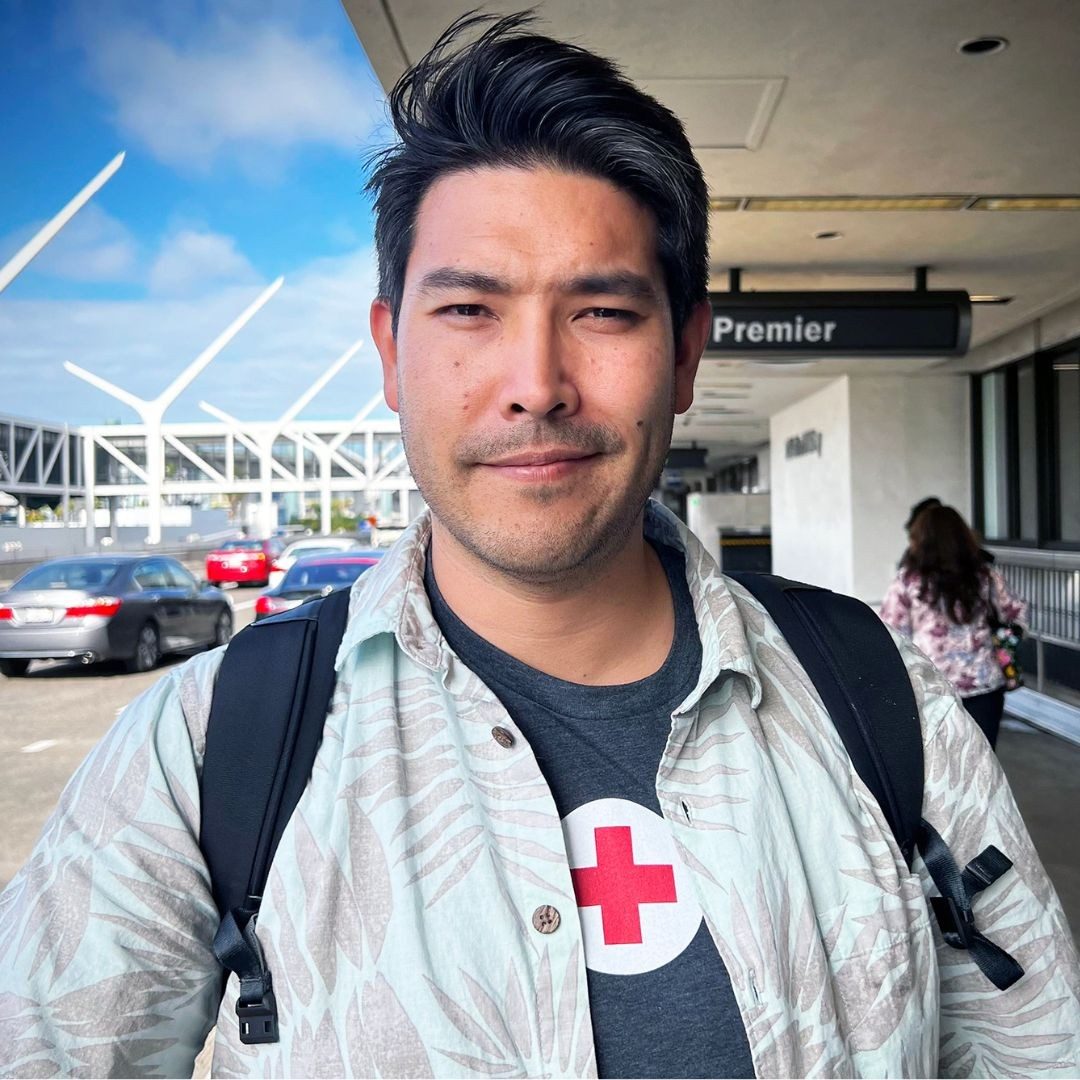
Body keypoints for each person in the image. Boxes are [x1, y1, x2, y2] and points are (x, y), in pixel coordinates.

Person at [2, 12, 1078, 1079]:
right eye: (469, 308)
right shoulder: (203, 755)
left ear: (687, 354)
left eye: (603, 312)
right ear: (390, 352)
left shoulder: (889, 711)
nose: (535, 384)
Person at [881, 505, 1027, 749]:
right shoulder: (986, 576)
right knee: (983, 765)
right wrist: (1001, 639)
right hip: (984, 686)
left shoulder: (908, 580)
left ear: (921, 539)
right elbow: (1017, 615)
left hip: (930, 687)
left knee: (940, 768)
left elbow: (892, 633)